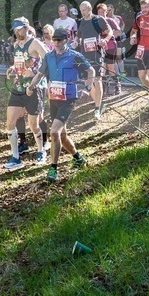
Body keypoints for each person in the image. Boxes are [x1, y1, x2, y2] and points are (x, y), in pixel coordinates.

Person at [27, 27, 94, 182]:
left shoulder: (74, 56)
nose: (56, 43)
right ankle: (78, 158)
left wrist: (88, 87)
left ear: (66, 40)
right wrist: (31, 87)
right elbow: (40, 74)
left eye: (60, 40)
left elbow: (90, 71)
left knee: (54, 132)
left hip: (69, 98)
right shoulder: (49, 57)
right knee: (62, 135)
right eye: (54, 39)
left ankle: (53, 169)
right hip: (54, 98)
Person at [3, 18, 48, 170]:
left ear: (27, 28)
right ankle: (15, 157)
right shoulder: (16, 44)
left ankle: (41, 151)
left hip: (33, 87)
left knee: (33, 125)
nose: (17, 32)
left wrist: (35, 72)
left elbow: (48, 60)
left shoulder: (35, 43)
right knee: (10, 122)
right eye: (15, 30)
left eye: (20, 29)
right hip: (18, 87)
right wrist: (12, 69)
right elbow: (20, 63)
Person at [76, 1, 112, 119]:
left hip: (96, 54)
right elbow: (78, 36)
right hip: (85, 55)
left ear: (90, 8)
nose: (83, 13)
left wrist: (105, 40)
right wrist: (76, 41)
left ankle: (97, 108)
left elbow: (110, 32)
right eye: (81, 11)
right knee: (87, 82)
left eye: (85, 10)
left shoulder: (98, 20)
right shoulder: (80, 22)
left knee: (97, 80)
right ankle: (99, 102)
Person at [129, 0, 149, 107]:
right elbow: (134, 31)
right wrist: (133, 37)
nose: (145, 9)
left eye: (146, 7)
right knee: (141, 76)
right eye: (143, 7)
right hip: (141, 48)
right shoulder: (139, 18)